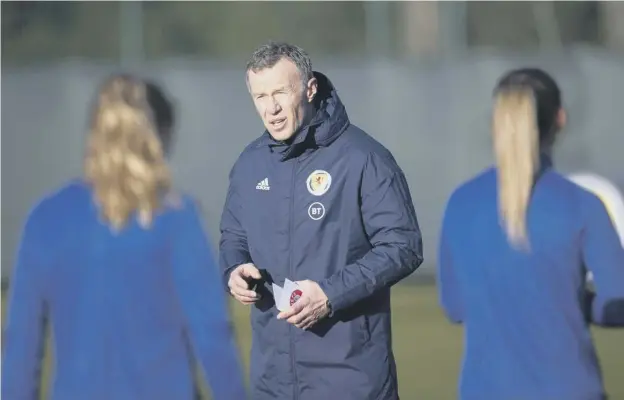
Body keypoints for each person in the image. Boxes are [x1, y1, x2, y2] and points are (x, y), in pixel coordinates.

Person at [1, 74, 246, 400]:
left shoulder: (47, 219)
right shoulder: (175, 218)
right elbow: (213, 335)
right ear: (157, 139)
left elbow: (21, 349)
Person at [219, 41, 423, 399]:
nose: (272, 109)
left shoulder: (364, 158)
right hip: (272, 382)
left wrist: (331, 294)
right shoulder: (249, 165)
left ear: (310, 89)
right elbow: (233, 236)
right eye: (260, 96)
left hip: (351, 380)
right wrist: (234, 270)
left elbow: (403, 245)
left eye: (281, 92)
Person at [437, 68, 624, 400]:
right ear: (560, 119)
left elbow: (455, 306)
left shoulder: (461, 202)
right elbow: (616, 306)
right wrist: (573, 297)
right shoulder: (583, 205)